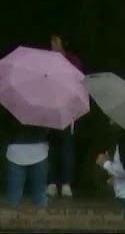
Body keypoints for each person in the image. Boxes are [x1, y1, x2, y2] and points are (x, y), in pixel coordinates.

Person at [47, 33, 82, 198]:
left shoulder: (72, 60)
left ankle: (67, 183)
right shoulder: (46, 60)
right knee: (52, 146)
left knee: (66, 146)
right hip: (49, 107)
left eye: (56, 40)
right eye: (51, 41)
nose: (52, 43)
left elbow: (79, 82)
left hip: (67, 108)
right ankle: (52, 182)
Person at [4, 113, 52, 207]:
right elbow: (48, 130)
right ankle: (41, 219)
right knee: (39, 193)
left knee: (14, 193)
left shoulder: (13, 104)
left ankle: (11, 218)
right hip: (39, 150)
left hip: (15, 150)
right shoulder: (45, 106)